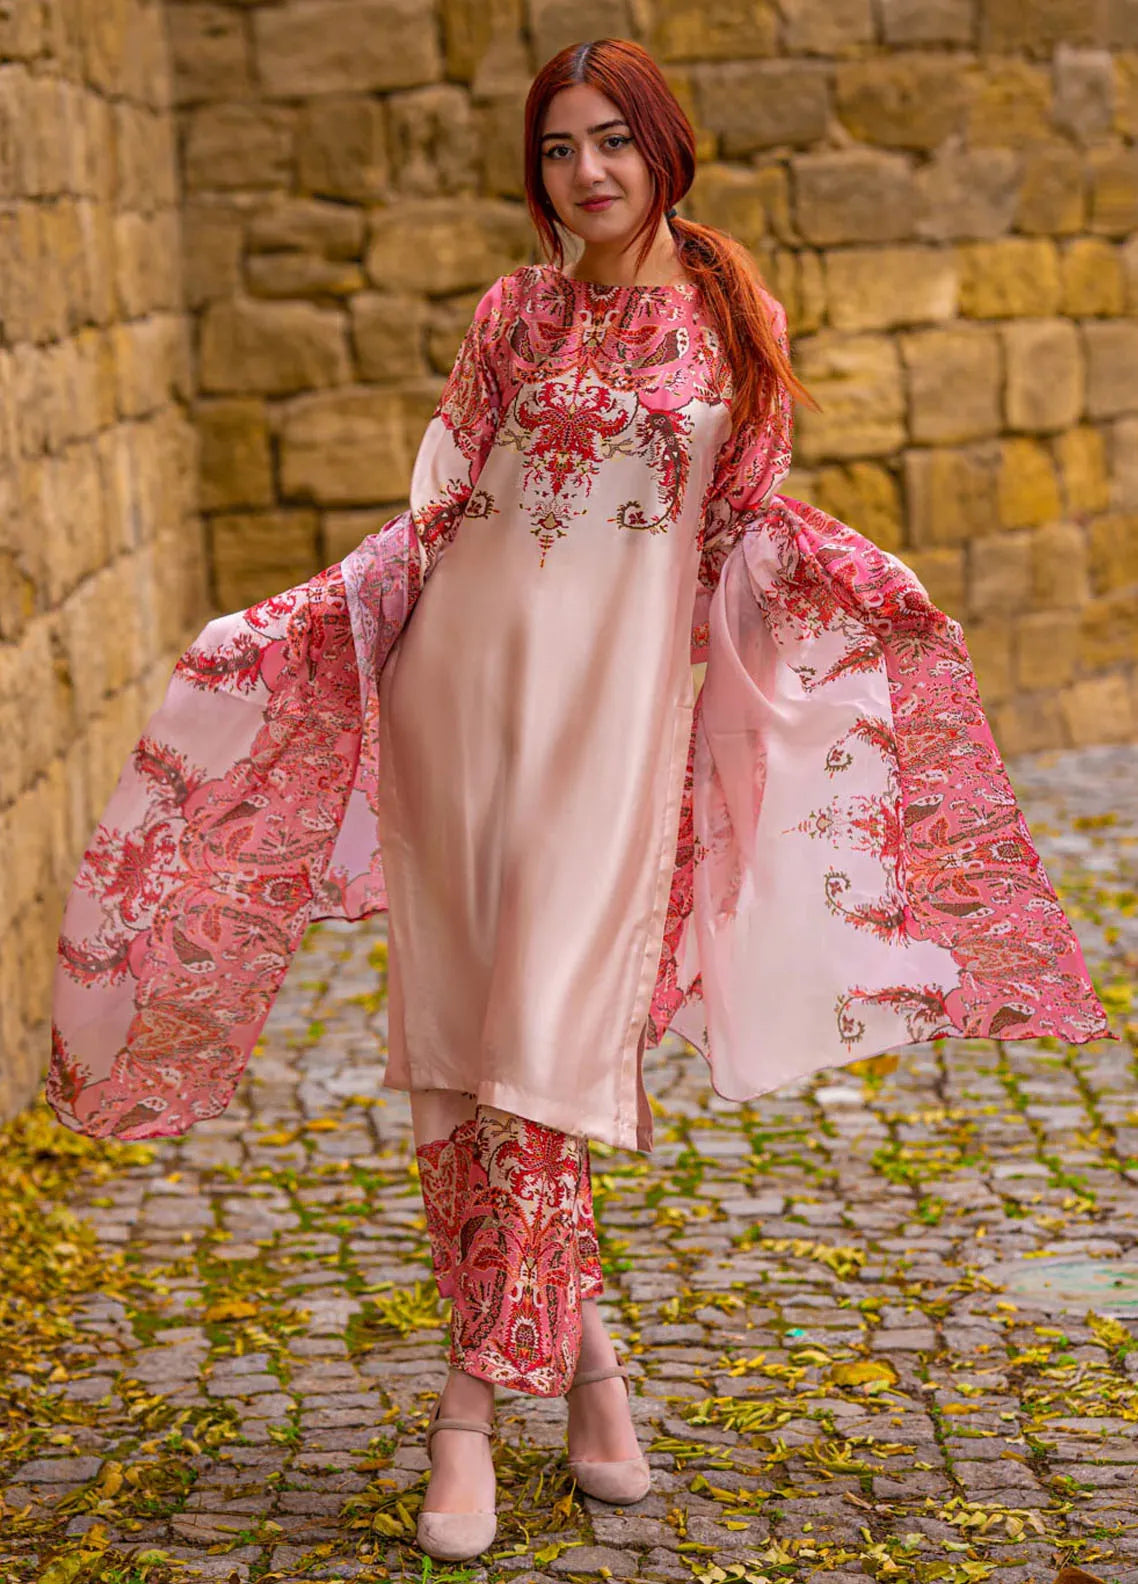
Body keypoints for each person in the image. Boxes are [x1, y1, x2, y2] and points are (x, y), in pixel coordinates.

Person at [47, 38, 1113, 1567]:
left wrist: (853, 596)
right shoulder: (510, 314)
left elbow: (738, 530)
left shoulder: (732, 318)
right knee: (472, 1063)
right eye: (558, 148)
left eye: (612, 139)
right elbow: (442, 512)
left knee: (542, 1050)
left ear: (663, 147)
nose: (586, 171)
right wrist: (312, 618)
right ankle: (592, 1373)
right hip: (459, 714)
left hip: (608, 742)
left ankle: (468, 1413)